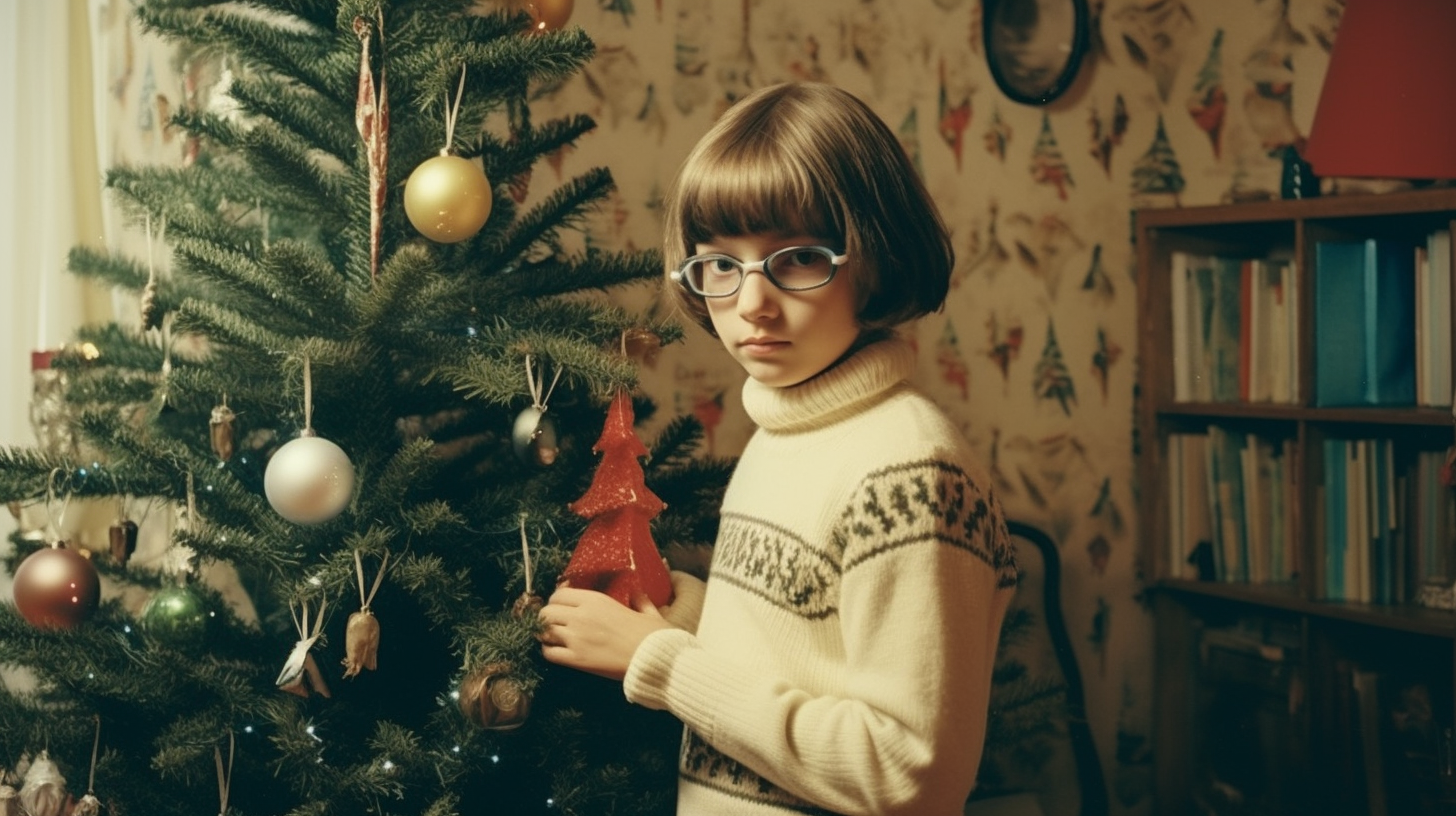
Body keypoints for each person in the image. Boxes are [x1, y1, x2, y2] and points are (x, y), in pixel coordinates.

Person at [538, 81, 1018, 816]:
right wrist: (685, 614)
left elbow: (910, 774)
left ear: (877, 259)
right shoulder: (788, 431)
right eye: (720, 265)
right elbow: (808, 658)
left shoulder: (912, 470)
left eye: (795, 259)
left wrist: (658, 663)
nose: (752, 303)